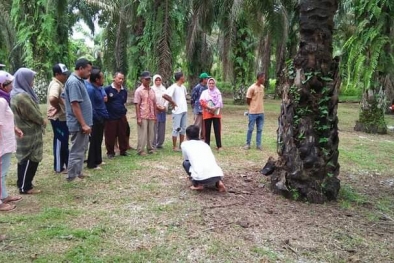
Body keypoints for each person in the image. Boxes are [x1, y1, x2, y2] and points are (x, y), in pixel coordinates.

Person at [10, 68, 45, 193]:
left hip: (24, 130)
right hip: (28, 132)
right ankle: (25, 186)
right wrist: (42, 120)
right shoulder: (21, 96)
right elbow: (33, 114)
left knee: (24, 158)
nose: (33, 81)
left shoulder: (16, 93)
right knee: (30, 158)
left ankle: (22, 183)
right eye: (31, 78)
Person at [63, 58, 93, 182]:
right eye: (88, 70)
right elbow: (75, 105)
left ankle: (79, 172)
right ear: (80, 68)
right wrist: (83, 124)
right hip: (79, 124)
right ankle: (72, 176)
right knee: (76, 149)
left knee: (82, 148)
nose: (90, 73)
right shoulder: (74, 82)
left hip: (84, 123)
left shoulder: (79, 81)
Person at [0, 71, 23, 211]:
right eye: (9, 84)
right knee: (1, 172)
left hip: (6, 141)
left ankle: (4, 195)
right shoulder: (1, 100)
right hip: (3, 143)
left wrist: (14, 128)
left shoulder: (4, 99)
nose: (12, 86)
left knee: (3, 172)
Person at [181, 125, 226, 192]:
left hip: (201, 178)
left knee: (186, 163)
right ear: (198, 134)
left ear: (187, 136)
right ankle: (219, 183)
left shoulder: (184, 144)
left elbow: (186, 159)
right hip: (218, 175)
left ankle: (198, 184)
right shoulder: (205, 144)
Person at [46, 63, 70, 174]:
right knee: (60, 141)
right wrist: (58, 108)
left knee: (64, 141)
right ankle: (59, 167)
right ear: (57, 74)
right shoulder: (55, 85)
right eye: (64, 74)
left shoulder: (59, 84)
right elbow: (52, 98)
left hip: (62, 119)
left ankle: (65, 164)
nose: (66, 76)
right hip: (58, 119)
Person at [86, 68, 109, 169]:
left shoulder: (99, 88)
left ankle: (98, 160)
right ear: (96, 79)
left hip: (102, 117)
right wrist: (97, 118)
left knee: (99, 140)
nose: (103, 79)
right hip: (96, 119)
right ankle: (92, 163)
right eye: (102, 78)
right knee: (94, 141)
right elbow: (91, 106)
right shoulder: (91, 90)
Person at [104, 72, 128, 157]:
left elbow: (123, 102)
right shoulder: (107, 89)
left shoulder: (124, 91)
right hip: (110, 116)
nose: (121, 80)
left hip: (121, 116)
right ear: (114, 78)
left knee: (123, 134)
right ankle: (110, 152)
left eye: (122, 79)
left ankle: (123, 151)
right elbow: (104, 101)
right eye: (119, 78)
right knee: (110, 135)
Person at [163, 71, 188, 151]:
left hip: (184, 110)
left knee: (183, 128)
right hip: (177, 111)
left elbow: (183, 97)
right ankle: (174, 146)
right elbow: (164, 95)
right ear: (180, 78)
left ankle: (181, 145)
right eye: (183, 76)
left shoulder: (183, 87)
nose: (184, 78)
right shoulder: (173, 87)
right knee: (176, 128)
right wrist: (173, 102)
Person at [134, 71, 157, 156]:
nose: (148, 81)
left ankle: (150, 148)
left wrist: (155, 115)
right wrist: (138, 117)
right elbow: (137, 104)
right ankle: (140, 150)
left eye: (149, 79)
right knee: (142, 133)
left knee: (151, 133)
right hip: (143, 115)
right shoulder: (138, 91)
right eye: (146, 79)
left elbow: (154, 103)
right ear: (142, 79)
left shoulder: (152, 90)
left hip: (151, 115)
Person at [200, 77, 223, 151]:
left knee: (217, 129)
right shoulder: (205, 92)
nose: (211, 84)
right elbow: (201, 101)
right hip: (207, 113)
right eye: (210, 83)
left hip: (216, 113)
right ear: (207, 84)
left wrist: (215, 108)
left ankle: (219, 146)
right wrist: (209, 108)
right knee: (207, 130)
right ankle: (207, 145)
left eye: (213, 83)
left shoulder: (218, 92)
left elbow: (220, 102)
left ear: (215, 84)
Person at [243, 72, 265, 151]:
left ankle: (258, 145)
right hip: (253, 112)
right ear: (259, 78)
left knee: (260, 129)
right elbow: (248, 100)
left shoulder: (262, 87)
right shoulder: (251, 88)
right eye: (263, 78)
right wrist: (252, 106)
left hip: (261, 112)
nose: (264, 79)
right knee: (250, 129)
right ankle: (247, 144)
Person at [190, 72, 209, 139]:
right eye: (207, 78)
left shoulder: (207, 87)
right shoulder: (197, 87)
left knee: (205, 123)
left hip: (206, 108)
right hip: (198, 108)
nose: (208, 80)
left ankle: (203, 136)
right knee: (197, 124)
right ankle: (194, 136)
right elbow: (193, 97)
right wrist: (193, 106)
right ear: (203, 79)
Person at [151, 74, 167, 149]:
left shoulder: (163, 88)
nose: (158, 81)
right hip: (155, 110)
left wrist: (164, 106)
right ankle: (153, 143)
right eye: (156, 80)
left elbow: (167, 98)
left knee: (162, 126)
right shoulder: (152, 89)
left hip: (163, 110)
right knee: (154, 126)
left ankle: (160, 143)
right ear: (154, 81)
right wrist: (157, 107)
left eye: (159, 80)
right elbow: (151, 99)